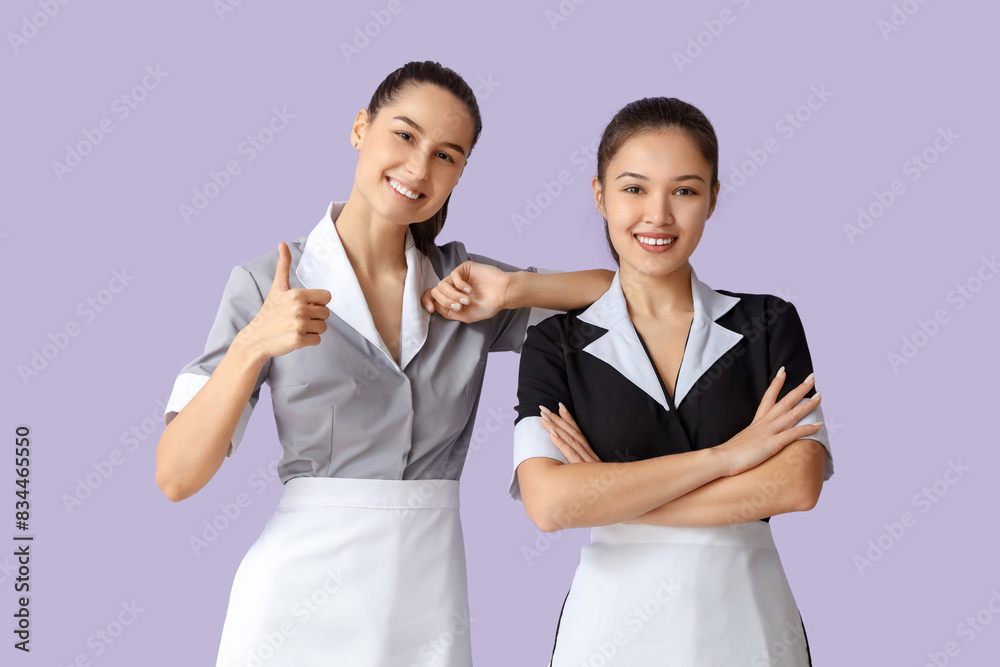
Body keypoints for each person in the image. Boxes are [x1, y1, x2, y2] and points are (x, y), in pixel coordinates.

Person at [156, 61, 613, 666]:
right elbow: (176, 477)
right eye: (404, 134)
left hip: (427, 600)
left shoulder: (470, 288)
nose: (419, 168)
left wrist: (514, 291)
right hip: (293, 603)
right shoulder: (266, 283)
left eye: (446, 155)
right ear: (359, 128)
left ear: (460, 174)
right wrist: (252, 346)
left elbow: (628, 299)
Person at [510, 97, 834, 665]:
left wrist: (609, 494)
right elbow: (550, 505)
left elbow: (796, 485)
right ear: (599, 195)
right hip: (609, 630)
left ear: (712, 197)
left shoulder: (766, 321)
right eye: (634, 188)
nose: (658, 215)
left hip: (750, 625)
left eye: (684, 190)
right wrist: (730, 457)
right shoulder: (555, 343)